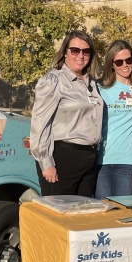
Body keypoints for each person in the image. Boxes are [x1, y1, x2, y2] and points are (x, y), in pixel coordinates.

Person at [29, 31, 103, 197]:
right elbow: (40, 123)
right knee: (60, 215)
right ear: (64, 53)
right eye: (75, 50)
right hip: (63, 157)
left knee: (82, 216)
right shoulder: (54, 80)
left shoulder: (91, 82)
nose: (81, 55)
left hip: (89, 158)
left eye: (86, 51)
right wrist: (45, 162)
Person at [94, 40, 132, 199]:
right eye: (119, 62)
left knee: (124, 212)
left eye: (129, 60)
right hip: (101, 161)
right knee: (103, 212)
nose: (125, 65)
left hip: (129, 161)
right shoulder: (100, 88)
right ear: (111, 64)